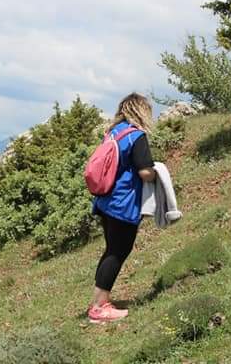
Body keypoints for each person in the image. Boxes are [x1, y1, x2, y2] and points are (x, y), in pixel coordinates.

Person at [89, 92, 156, 324]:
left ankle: (99, 301)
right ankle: (99, 308)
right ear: (141, 110)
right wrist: (159, 172)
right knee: (117, 252)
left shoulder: (113, 133)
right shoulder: (136, 136)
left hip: (105, 200)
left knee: (111, 250)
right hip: (123, 203)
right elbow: (145, 172)